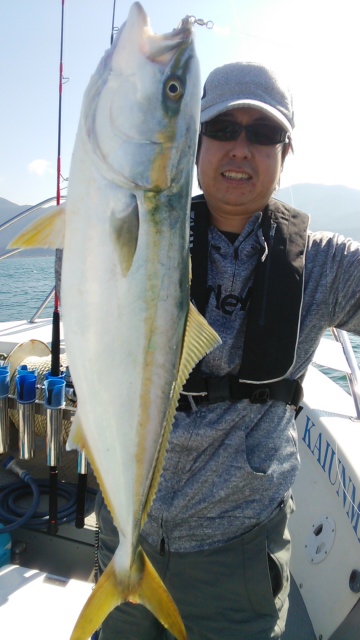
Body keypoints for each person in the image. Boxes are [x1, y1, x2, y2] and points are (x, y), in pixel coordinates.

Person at [95, 61, 360, 638]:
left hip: (237, 557)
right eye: (222, 129)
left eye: (263, 134)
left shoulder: (324, 264)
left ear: (285, 153)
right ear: (194, 146)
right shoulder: (139, 236)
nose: (241, 148)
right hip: (124, 527)